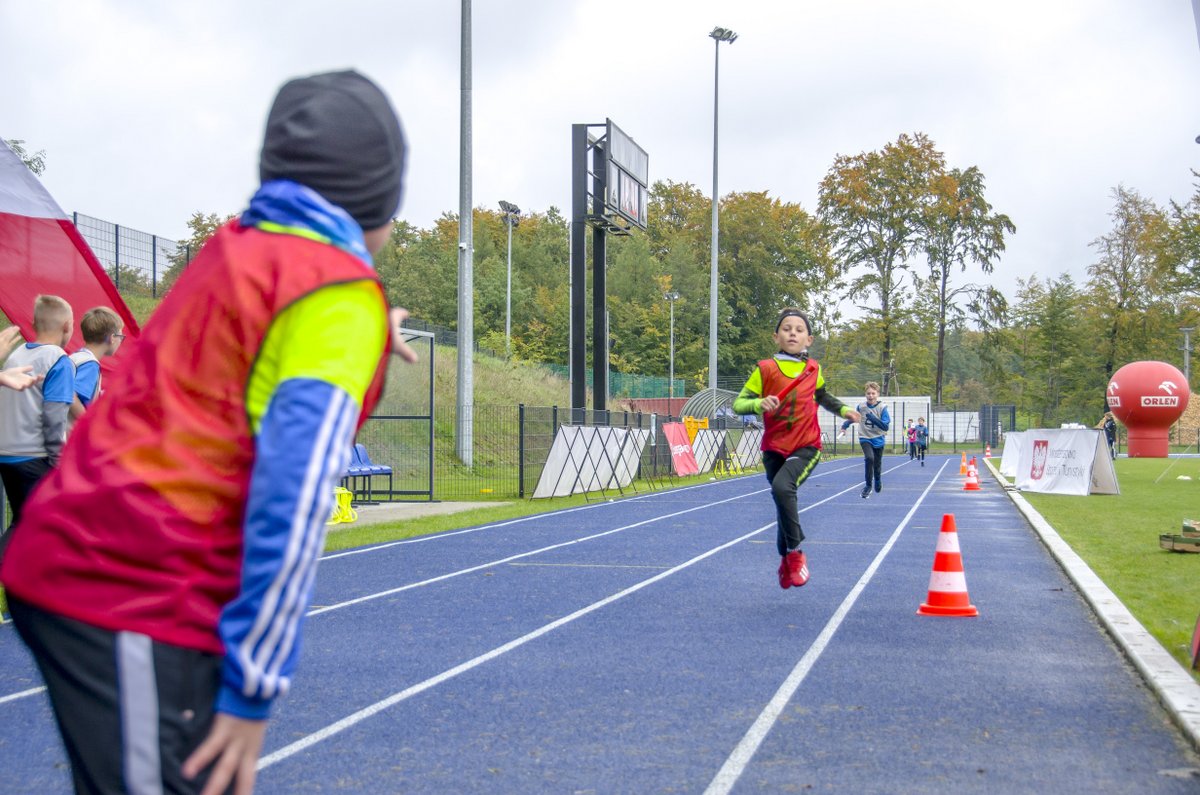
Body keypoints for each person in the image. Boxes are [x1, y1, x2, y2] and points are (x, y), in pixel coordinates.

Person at [1, 69, 417, 795]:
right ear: (382, 194)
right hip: (125, 586)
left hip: (92, 560)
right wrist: (255, 684)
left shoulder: (240, 247)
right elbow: (296, 501)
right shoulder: (338, 302)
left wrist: (366, 316)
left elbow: (244, 349)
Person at [733, 308, 860, 590]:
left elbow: (824, 397)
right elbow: (739, 404)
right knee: (782, 502)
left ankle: (796, 552)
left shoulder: (814, 370)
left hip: (806, 445)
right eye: (787, 328)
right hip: (774, 449)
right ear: (775, 336)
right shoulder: (765, 369)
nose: (793, 333)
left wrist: (845, 410)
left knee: (782, 489)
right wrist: (758, 404)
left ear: (809, 339)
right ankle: (786, 558)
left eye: (799, 329)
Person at [0, 295, 74, 531]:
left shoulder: (17, 354)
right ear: (67, 326)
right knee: (40, 529)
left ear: (34, 324)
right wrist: (59, 463)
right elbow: (54, 417)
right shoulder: (58, 360)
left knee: (23, 524)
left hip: (7, 453)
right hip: (34, 456)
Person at [68, 306, 125, 421]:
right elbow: (70, 394)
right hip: (68, 434)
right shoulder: (90, 364)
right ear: (112, 338)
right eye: (121, 337)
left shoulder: (76, 357)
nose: (121, 342)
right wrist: (86, 423)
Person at [842, 381, 889, 498]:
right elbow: (854, 418)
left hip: (878, 438)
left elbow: (885, 426)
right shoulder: (861, 407)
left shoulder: (882, 408)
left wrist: (873, 418)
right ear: (865, 394)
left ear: (877, 394)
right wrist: (844, 426)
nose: (871, 396)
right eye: (868, 393)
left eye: (873, 393)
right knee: (869, 458)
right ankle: (868, 485)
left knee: (877, 464)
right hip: (865, 437)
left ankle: (877, 479)